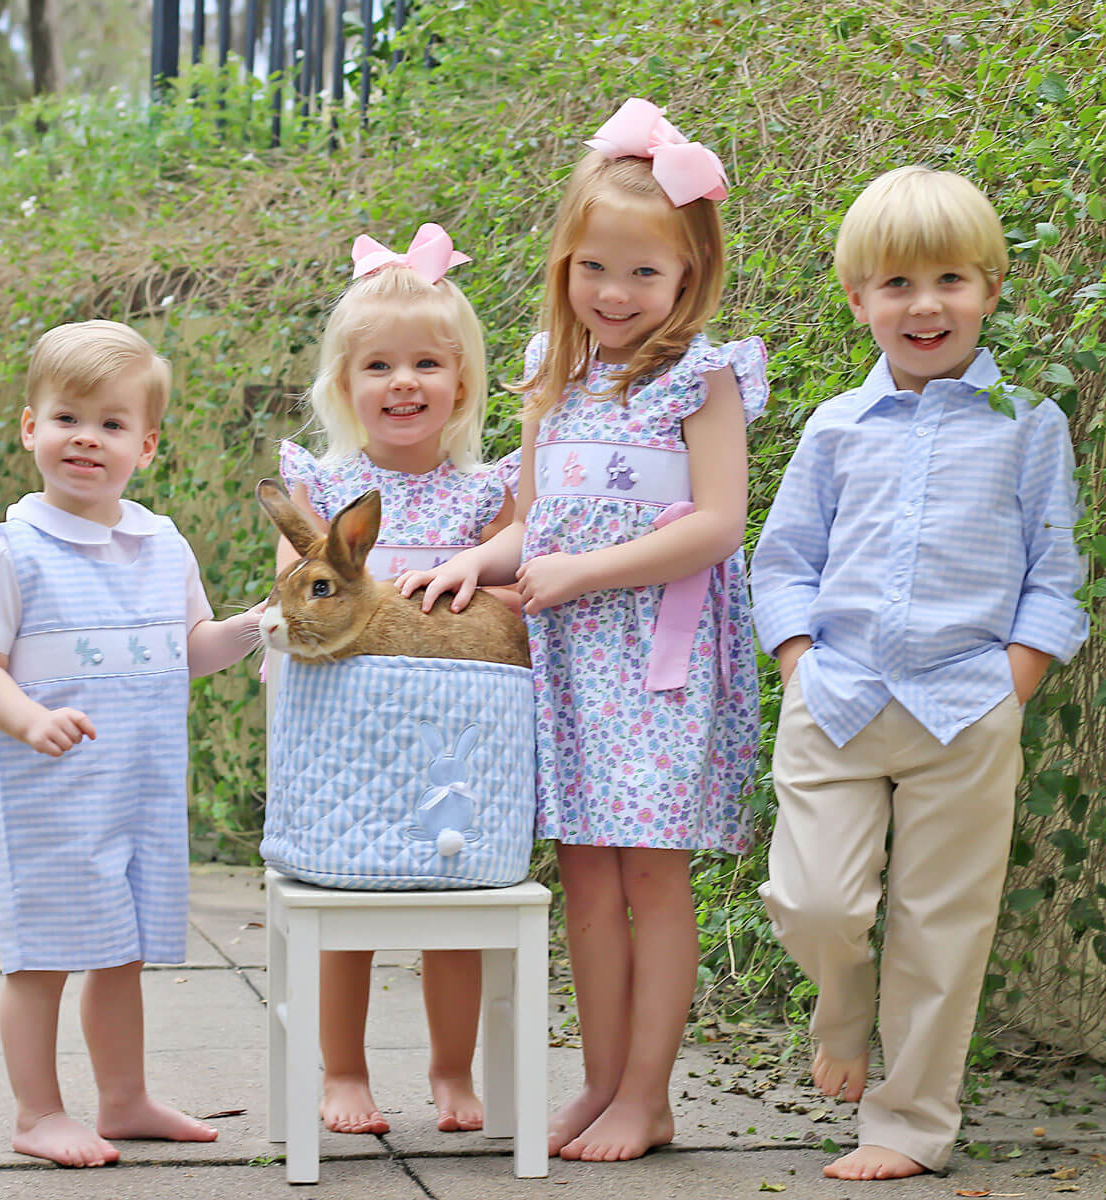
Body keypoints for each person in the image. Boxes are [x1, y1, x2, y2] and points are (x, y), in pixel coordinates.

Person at [399, 98, 768, 1161]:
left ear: (689, 277)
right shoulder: (552, 378)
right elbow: (532, 524)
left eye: (645, 274)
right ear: (565, 265)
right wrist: (480, 557)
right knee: (587, 879)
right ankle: (601, 1086)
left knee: (652, 875)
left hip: (657, 661)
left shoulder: (705, 377)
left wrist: (581, 573)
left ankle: (650, 1094)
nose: (616, 293)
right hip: (569, 659)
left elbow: (716, 524)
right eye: (594, 268)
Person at [751, 165, 1088, 1181]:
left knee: (945, 930)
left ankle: (907, 1125)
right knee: (812, 901)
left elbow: (1054, 570)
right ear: (859, 300)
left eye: (949, 279)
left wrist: (1015, 681)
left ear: (989, 289)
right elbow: (783, 564)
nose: (924, 304)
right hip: (839, 700)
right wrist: (801, 662)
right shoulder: (833, 429)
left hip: (966, 705)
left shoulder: (1030, 425)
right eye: (896, 284)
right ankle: (843, 1009)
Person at [0, 320, 266, 1169]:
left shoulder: (163, 546)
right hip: (54, 795)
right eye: (67, 418)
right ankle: (37, 1111)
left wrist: (252, 627)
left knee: (122, 954)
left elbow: (192, 649)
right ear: (30, 428)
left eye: (112, 424)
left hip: (142, 788)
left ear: (145, 445)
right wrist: (26, 718)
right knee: (43, 959)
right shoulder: (12, 553)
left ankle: (124, 1099)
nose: (87, 437)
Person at [273, 222, 515, 1136]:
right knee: (349, 897)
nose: (403, 382)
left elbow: (511, 593)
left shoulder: (484, 493)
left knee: (455, 906)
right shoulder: (318, 489)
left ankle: (452, 1073)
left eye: (425, 364)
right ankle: (344, 1071)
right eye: (378, 367)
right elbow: (299, 600)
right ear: (345, 386)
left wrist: (490, 566)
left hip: (454, 735)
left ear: (459, 384)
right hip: (346, 731)